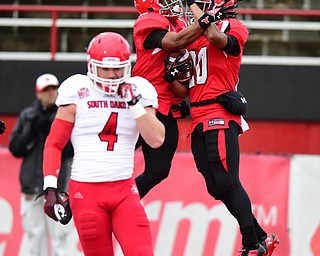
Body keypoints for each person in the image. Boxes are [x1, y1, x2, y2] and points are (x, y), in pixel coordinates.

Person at [40, 32, 165, 256]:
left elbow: (156, 140)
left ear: (127, 66)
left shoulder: (139, 89)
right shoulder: (77, 89)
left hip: (124, 190)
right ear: (91, 65)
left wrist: (134, 104)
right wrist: (50, 188)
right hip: (85, 193)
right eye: (104, 69)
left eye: (117, 68)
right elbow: (54, 143)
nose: (111, 75)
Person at [184, 0, 280, 255]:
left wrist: (197, 10)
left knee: (227, 179)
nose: (194, 7)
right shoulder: (194, 35)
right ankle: (261, 236)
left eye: (200, 3)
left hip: (219, 114)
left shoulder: (234, 26)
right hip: (197, 117)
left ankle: (251, 243)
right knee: (215, 187)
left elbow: (216, 37)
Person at [132, 0, 232, 199]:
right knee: (112, 157)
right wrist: (207, 18)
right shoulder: (148, 22)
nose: (171, 2)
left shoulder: (178, 24)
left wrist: (171, 79)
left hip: (166, 107)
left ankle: (123, 202)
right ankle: (81, 197)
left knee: (158, 170)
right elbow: (175, 42)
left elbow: (182, 90)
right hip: (142, 105)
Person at [9, 73, 73, 256]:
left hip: (58, 188)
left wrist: (54, 133)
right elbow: (16, 148)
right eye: (46, 90)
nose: (51, 93)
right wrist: (31, 130)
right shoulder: (28, 115)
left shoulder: (67, 114)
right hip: (32, 188)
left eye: (53, 89)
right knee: (35, 239)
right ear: (38, 93)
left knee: (59, 239)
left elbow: (71, 151)